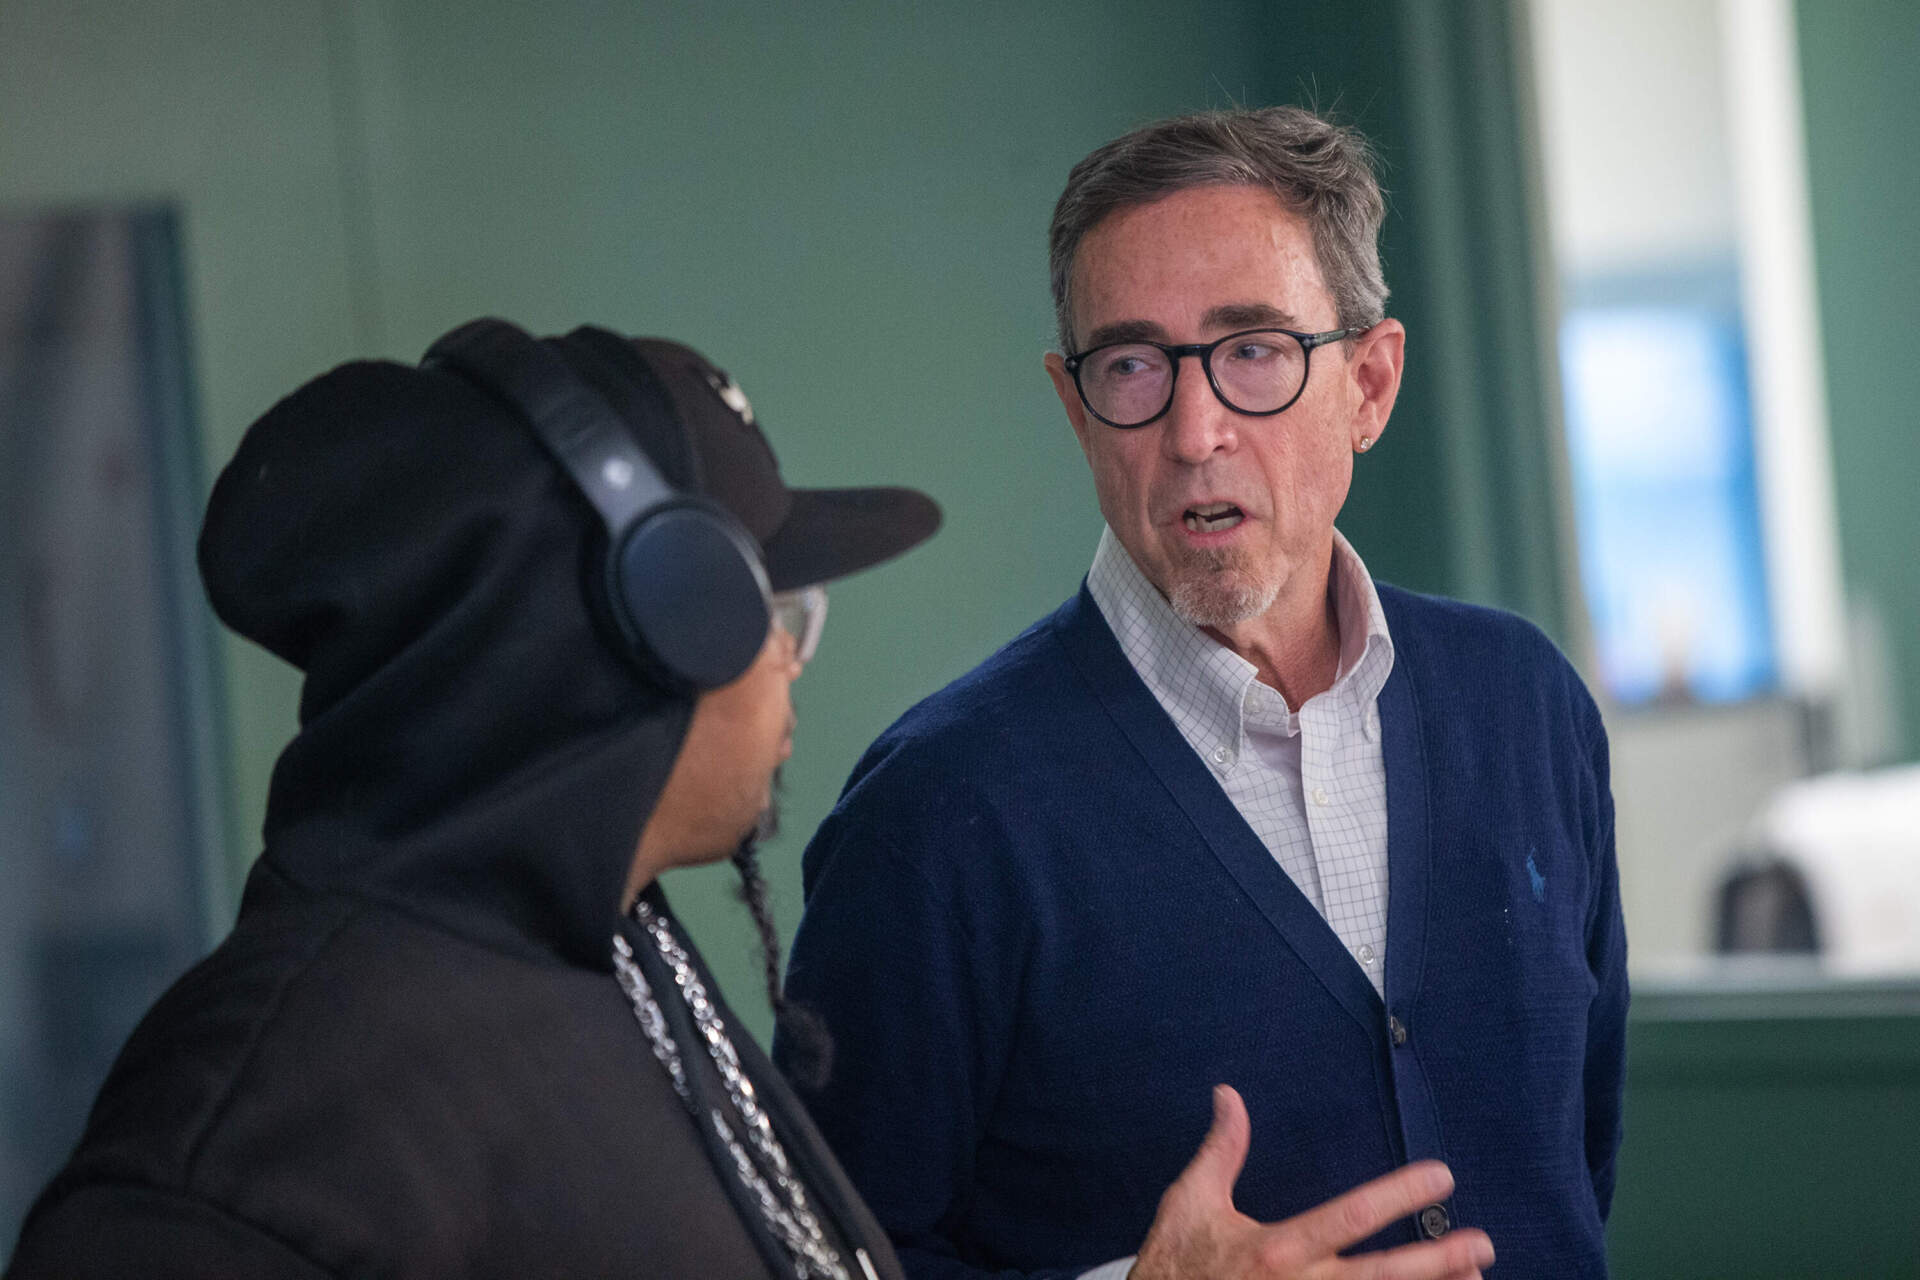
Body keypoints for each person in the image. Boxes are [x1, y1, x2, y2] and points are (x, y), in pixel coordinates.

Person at [776, 106, 1625, 1279]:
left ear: (1369, 386)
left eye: (1256, 351)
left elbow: (1575, 1162)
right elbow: (811, 1259)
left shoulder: (1527, 706)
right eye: (1130, 365)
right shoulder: (936, 813)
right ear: (1077, 415)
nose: (1194, 428)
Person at [7, 318, 942, 1279]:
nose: (792, 659)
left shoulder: (609, 957)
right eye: (773, 614)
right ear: (662, 625)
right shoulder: (278, 1121)